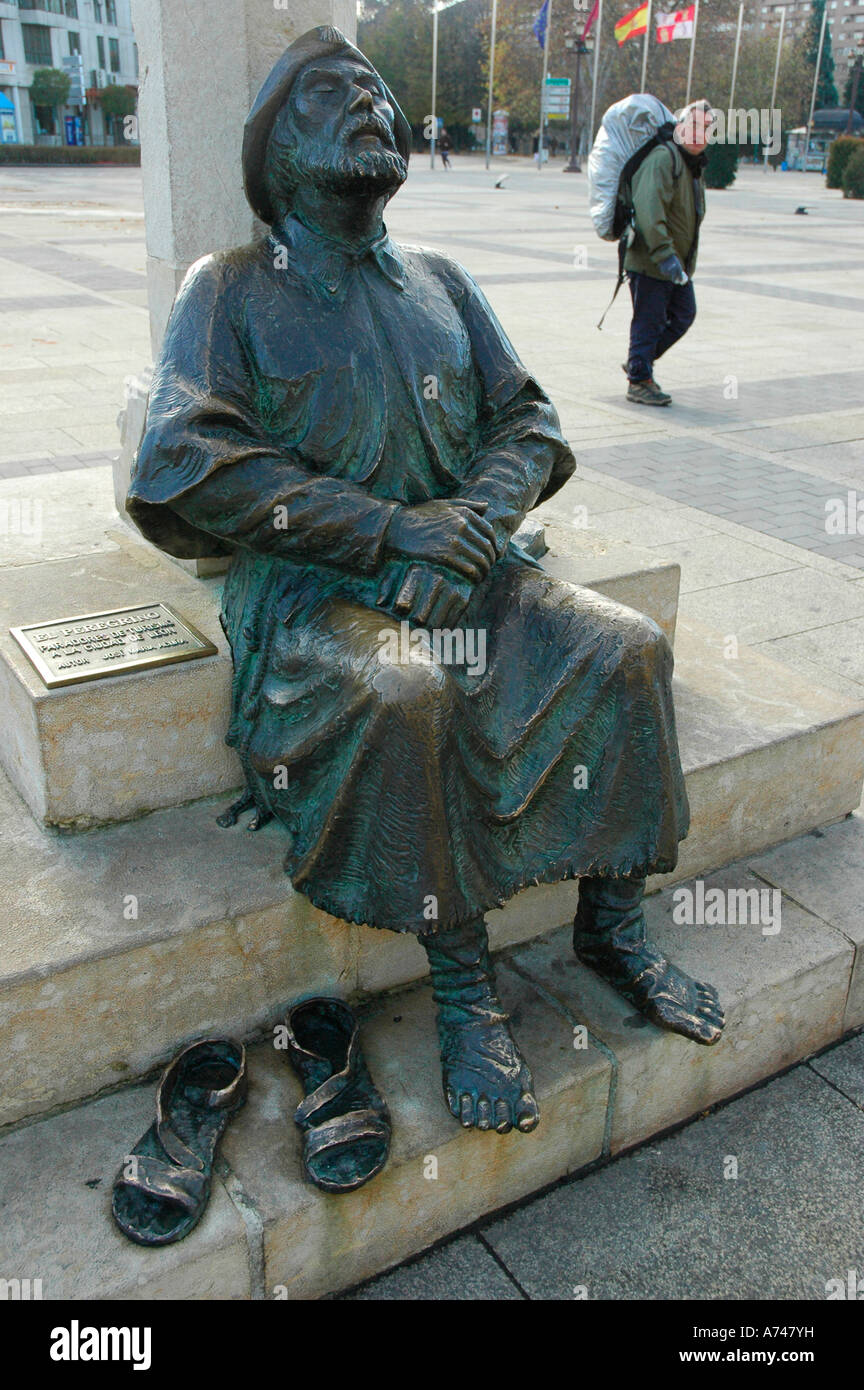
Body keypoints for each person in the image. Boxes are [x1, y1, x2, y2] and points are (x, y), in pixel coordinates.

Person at [128, 30, 724, 1140]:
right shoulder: (234, 288)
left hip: (475, 569)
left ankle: (615, 922)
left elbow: (530, 421)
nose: (366, 100)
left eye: (375, 89)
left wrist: (470, 528)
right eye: (329, 92)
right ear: (276, 153)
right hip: (317, 600)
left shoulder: (443, 281)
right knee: (411, 693)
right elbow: (179, 460)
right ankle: (464, 987)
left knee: (630, 646)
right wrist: (392, 534)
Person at [624, 99, 713, 406]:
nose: (699, 134)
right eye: (694, 126)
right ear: (680, 127)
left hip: (675, 262)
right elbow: (650, 210)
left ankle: (640, 361)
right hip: (652, 260)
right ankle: (639, 379)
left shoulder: (691, 166)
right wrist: (665, 255)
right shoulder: (665, 158)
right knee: (648, 320)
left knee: (684, 314)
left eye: (706, 128)